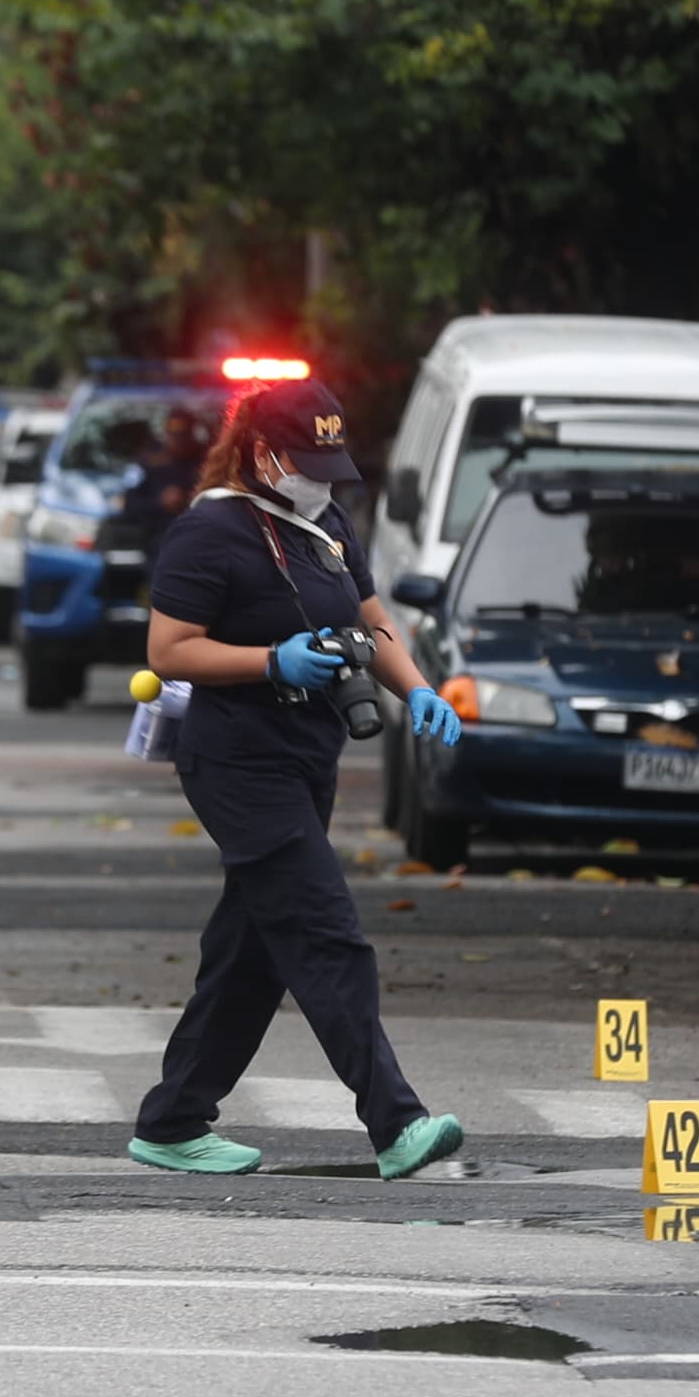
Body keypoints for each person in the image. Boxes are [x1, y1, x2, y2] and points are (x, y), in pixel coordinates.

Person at [129, 379, 468, 1178]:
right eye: (304, 460)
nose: (319, 476)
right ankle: (396, 1122)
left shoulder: (326, 522)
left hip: (306, 754)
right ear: (259, 452)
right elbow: (169, 650)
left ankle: (174, 1121)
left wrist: (417, 688)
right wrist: (270, 660)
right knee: (324, 932)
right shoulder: (208, 531)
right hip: (237, 760)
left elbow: (371, 619)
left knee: (252, 949)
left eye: (329, 460)